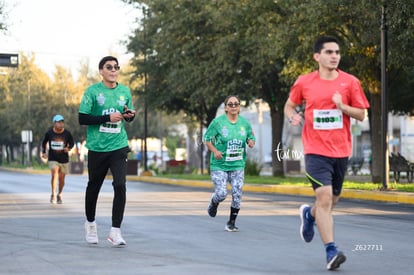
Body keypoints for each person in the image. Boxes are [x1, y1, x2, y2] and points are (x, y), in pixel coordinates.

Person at [284, 36, 370, 270]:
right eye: (329, 52)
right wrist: (293, 116)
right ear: (317, 56)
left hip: (341, 150)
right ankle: (331, 250)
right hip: (314, 150)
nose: (334, 56)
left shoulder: (350, 82)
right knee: (324, 199)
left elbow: (361, 114)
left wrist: (343, 106)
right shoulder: (305, 82)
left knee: (331, 202)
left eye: (337, 52)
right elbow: (289, 105)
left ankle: (309, 215)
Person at [78, 56, 136, 246]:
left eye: (116, 67)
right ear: (101, 71)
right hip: (97, 147)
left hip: (118, 146)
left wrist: (129, 116)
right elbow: (83, 118)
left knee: (120, 185)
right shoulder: (93, 92)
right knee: (94, 186)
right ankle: (91, 223)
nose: (113, 70)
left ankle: (115, 231)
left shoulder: (124, 91)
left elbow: (127, 115)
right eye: (109, 67)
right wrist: (106, 117)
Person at [203, 95, 256, 232]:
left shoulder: (245, 123)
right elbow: (207, 139)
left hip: (237, 164)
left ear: (239, 107)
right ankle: (214, 202)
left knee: (237, 193)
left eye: (236, 104)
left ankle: (231, 222)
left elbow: (251, 136)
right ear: (226, 107)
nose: (233, 106)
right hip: (219, 164)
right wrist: (214, 150)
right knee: (221, 194)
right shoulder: (217, 123)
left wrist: (251, 142)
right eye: (230, 104)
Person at [41, 114, 74, 204]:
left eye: (62, 122)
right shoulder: (49, 133)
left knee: (62, 179)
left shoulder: (67, 133)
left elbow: (72, 143)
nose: (61, 124)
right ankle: (53, 193)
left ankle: (59, 194)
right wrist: (43, 152)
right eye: (59, 122)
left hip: (64, 159)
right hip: (53, 158)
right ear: (54, 123)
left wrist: (69, 148)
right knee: (54, 173)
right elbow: (44, 142)